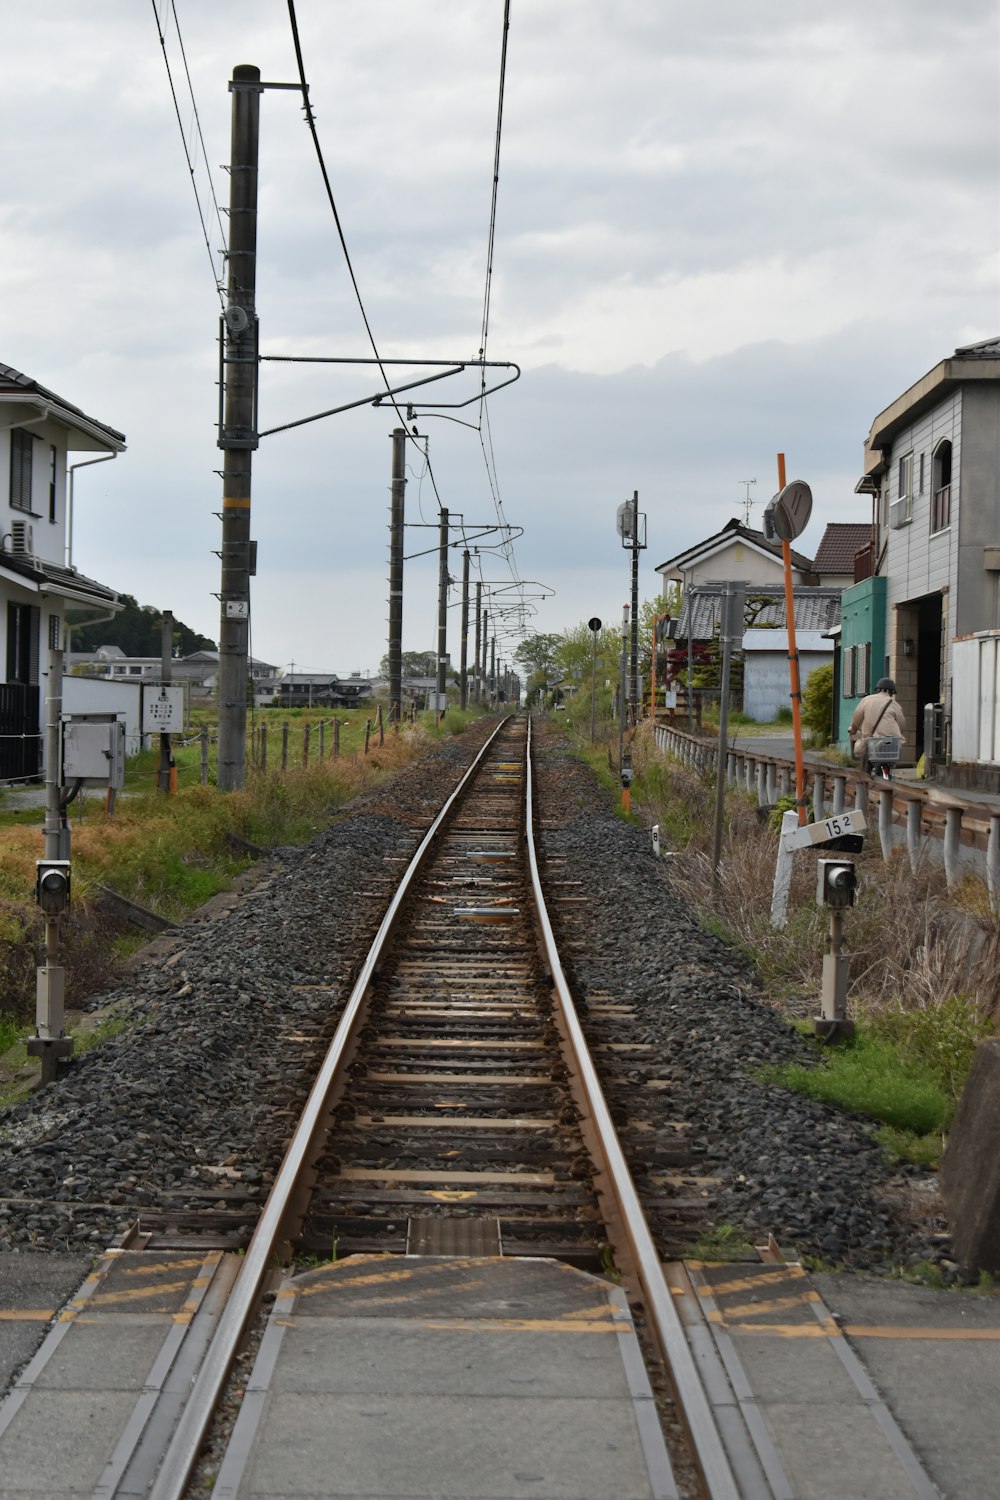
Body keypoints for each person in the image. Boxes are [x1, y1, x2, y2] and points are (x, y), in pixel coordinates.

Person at [849, 677, 905, 776]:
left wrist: (853, 729)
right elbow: (901, 724)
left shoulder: (867, 700)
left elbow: (856, 718)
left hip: (872, 741)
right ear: (891, 692)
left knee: (865, 760)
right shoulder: (894, 704)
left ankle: (864, 778)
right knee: (888, 757)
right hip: (891, 743)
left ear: (878, 690)